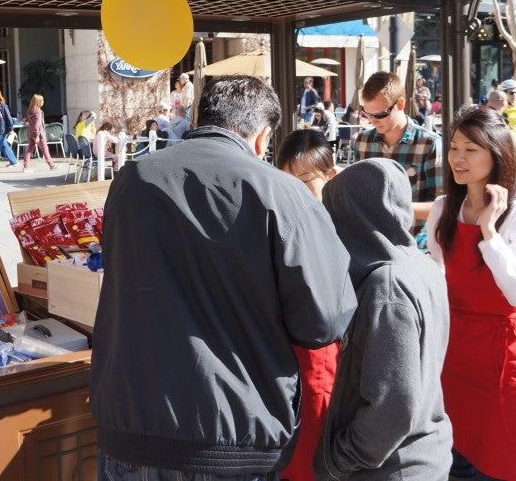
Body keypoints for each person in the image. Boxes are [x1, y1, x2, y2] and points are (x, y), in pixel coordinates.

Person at [91, 75, 357, 478]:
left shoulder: (132, 179)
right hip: (229, 434)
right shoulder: (281, 193)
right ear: (263, 138)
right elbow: (324, 320)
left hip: (131, 428)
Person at [425, 106, 516, 481]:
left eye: (470, 149)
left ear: (497, 153)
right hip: (452, 349)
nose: (458, 158)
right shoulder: (444, 208)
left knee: (497, 460)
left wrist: (489, 232)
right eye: (454, 147)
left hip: (499, 355)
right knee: (452, 457)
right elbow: (439, 277)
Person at [317, 158, 452, 480]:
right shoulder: (421, 266)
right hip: (419, 453)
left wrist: (338, 459)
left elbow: (394, 406)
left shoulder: (386, 285)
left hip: (392, 466)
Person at [275, 130, 339, 481]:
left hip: (324, 362)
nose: (295, 193)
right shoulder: (273, 223)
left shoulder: (345, 224)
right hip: (281, 366)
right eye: (286, 183)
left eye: (305, 182)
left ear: (330, 177)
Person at [353, 71, 442, 225]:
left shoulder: (429, 144)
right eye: (367, 114)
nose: (373, 121)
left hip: (413, 243)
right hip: (371, 241)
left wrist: (392, 207)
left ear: (400, 104)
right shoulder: (363, 140)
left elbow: (443, 206)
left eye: (380, 114)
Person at [22, 93, 57, 173]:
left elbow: (27, 121)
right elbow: (37, 124)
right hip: (38, 134)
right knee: (45, 149)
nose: (43, 102)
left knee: (29, 149)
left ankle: (25, 167)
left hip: (30, 133)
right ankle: (51, 165)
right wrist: (37, 135)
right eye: (42, 100)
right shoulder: (38, 112)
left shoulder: (30, 111)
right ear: (38, 102)